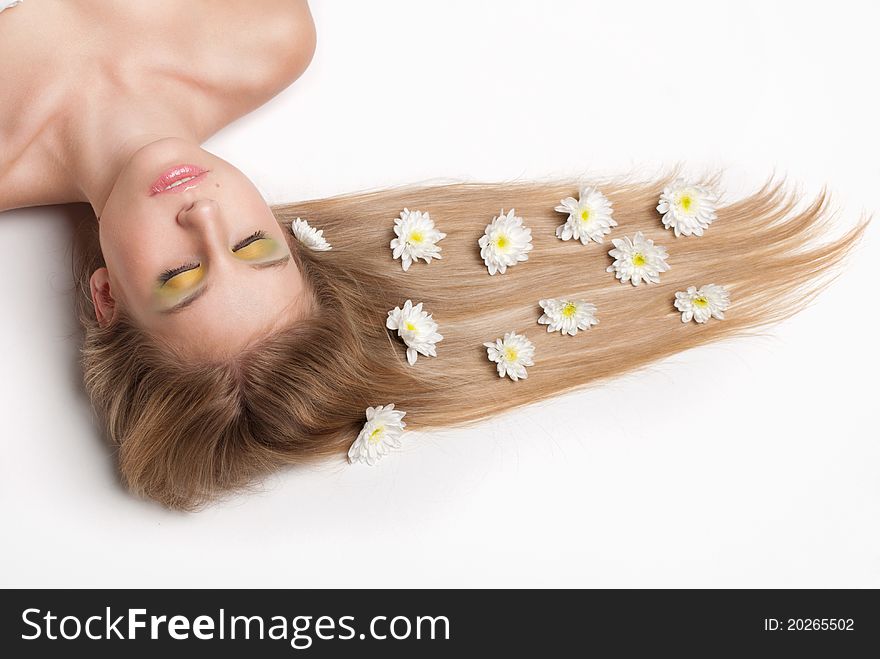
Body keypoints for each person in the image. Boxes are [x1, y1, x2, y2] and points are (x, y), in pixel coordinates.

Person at [1, 1, 867, 510]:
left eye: (182, 276)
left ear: (106, 294)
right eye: (253, 246)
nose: (200, 216)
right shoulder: (264, 35)